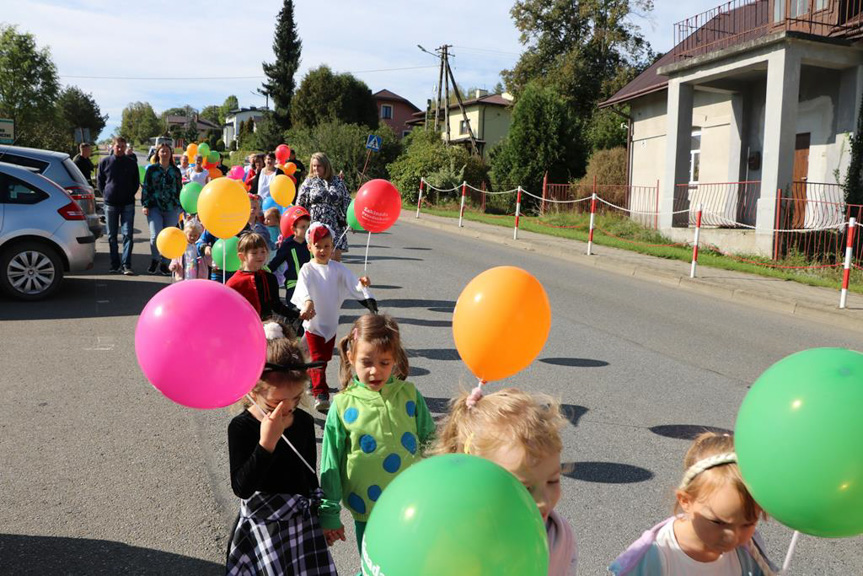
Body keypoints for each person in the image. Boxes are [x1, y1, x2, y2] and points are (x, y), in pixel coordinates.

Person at [226, 322, 337, 575]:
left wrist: (322, 519)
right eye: (275, 402)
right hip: (261, 528)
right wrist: (266, 444)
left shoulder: (303, 421)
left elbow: (308, 477)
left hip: (300, 524)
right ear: (254, 389)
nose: (286, 409)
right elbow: (242, 487)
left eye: (296, 399)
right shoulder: (241, 427)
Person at [319, 313, 435, 557]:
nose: (375, 371)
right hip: (366, 508)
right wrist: (329, 512)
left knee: (410, 560)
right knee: (374, 563)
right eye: (366, 362)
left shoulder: (410, 395)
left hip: (410, 501)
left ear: (395, 360)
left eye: (384, 362)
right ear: (350, 358)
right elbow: (330, 462)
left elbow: (431, 442)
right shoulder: (341, 406)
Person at [432, 387, 577, 576]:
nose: (544, 501)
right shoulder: (453, 539)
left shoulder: (558, 536)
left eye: (552, 481)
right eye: (524, 488)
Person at [608, 433, 776, 576]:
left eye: (748, 523)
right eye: (718, 522)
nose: (732, 536)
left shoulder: (749, 552)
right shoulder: (653, 557)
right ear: (686, 501)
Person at [290, 223, 377, 412]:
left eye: (327, 246)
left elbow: (353, 284)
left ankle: (305, 378)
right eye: (318, 246)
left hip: (330, 323)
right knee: (318, 358)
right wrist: (307, 302)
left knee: (323, 357)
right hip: (313, 323)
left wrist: (364, 288)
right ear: (309, 247)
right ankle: (321, 392)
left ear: (332, 247)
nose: (322, 250)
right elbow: (303, 288)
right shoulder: (307, 269)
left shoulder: (338, 269)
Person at [226, 233, 299, 321]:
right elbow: (229, 311)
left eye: (263, 251)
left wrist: (297, 315)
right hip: (245, 327)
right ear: (242, 256)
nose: (260, 256)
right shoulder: (234, 283)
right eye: (254, 253)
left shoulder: (270, 278)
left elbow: (277, 306)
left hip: (265, 328)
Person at [296, 152, 351, 261]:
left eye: (319, 166)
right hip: (315, 227)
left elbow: (346, 202)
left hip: (335, 227)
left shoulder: (338, 182)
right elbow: (299, 206)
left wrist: (351, 220)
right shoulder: (308, 182)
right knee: (316, 264)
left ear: (326, 166)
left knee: (335, 266)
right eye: (314, 166)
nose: (316, 168)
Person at [97, 137, 140, 275]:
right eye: (118, 146)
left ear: (125, 147)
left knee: (128, 235)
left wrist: (128, 194)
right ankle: (114, 265)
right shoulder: (105, 162)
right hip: (110, 204)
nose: (120, 148)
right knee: (112, 236)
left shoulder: (131, 163)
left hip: (127, 204)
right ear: (113, 147)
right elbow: (100, 181)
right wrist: (106, 194)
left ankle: (126, 265)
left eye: (122, 146)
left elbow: (135, 182)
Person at [142, 143, 183, 275]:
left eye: (167, 151)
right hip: (154, 207)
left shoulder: (175, 171)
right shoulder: (151, 170)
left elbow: (179, 189)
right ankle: (155, 259)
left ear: (171, 154)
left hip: (171, 208)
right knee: (155, 236)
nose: (164, 153)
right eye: (162, 151)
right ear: (157, 153)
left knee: (169, 236)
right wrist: (145, 204)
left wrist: (180, 206)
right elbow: (146, 187)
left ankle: (165, 263)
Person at [269, 207, 311, 304]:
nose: (307, 230)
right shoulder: (287, 245)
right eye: (303, 227)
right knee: (295, 311)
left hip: (310, 284)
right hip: (294, 284)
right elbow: (276, 261)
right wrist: (265, 270)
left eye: (308, 226)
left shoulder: (311, 244)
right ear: (293, 229)